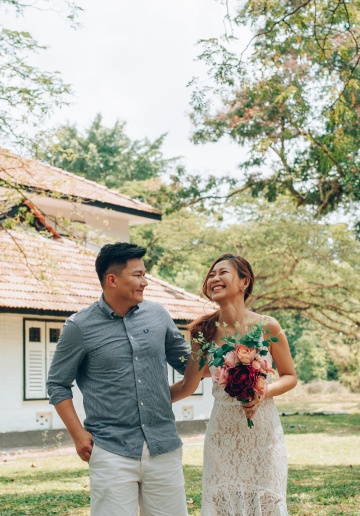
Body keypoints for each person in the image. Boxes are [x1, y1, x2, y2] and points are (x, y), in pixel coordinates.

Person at [47, 242, 190, 516]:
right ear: (112, 279)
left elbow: (189, 366)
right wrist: (78, 435)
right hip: (110, 450)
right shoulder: (79, 326)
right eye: (138, 275)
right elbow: (57, 384)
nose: (145, 282)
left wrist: (231, 353)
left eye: (144, 274)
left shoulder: (158, 315)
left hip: (164, 446)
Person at [171, 253, 297, 516]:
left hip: (264, 435)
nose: (214, 278)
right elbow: (187, 385)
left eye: (222, 272)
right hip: (222, 436)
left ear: (244, 282)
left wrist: (263, 392)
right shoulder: (202, 331)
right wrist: (141, 402)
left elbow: (289, 376)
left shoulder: (268, 326)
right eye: (211, 275)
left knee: (266, 502)